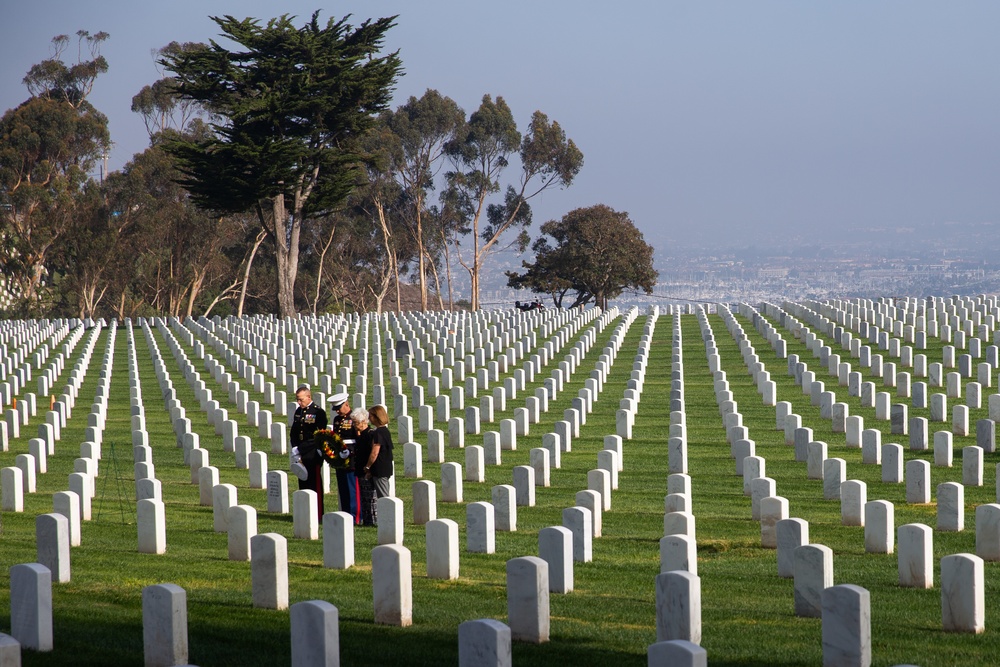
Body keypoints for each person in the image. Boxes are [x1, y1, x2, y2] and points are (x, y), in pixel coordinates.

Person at [289, 386, 327, 521]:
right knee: (303, 483)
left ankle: (317, 514)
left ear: (309, 397)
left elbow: (318, 436)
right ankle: (305, 513)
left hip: (312, 453)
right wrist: (294, 447)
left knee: (314, 484)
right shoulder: (298, 411)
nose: (299, 402)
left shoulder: (318, 412)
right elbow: (294, 431)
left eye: (301, 399)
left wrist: (301, 448)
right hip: (300, 453)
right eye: (297, 400)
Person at [329, 392, 361, 524]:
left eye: (339, 408)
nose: (337, 411)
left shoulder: (355, 418)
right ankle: (346, 513)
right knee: (342, 487)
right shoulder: (337, 420)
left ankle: (356, 516)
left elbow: (359, 439)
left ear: (346, 404)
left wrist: (350, 452)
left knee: (352, 487)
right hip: (340, 457)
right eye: (335, 409)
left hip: (352, 457)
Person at [361, 404, 395, 501]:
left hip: (380, 469)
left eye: (370, 416)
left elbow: (375, 452)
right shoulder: (385, 431)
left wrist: (367, 466)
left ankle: (388, 515)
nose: (369, 418)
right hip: (385, 467)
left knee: (384, 498)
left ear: (376, 417)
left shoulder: (378, 433)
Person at [351, 407, 377, 526]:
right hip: (360, 470)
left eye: (356, 423)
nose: (354, 425)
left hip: (367, 471)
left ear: (364, 421)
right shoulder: (361, 435)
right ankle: (367, 521)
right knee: (364, 499)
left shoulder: (370, 435)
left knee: (371, 498)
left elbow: (372, 453)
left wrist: (369, 469)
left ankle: (372, 520)